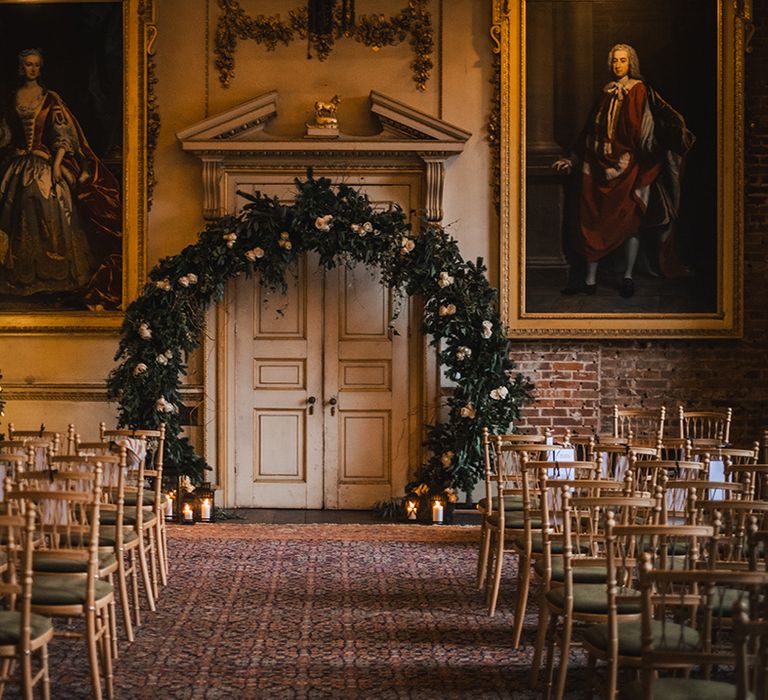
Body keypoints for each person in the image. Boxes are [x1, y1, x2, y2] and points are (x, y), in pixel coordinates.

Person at [554, 43, 695, 298]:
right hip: (597, 167)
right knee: (592, 223)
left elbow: (665, 121)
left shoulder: (641, 90)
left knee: (631, 223)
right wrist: (572, 159)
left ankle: (627, 277)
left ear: (631, 64)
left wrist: (666, 142)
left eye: (623, 60)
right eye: (615, 60)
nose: (618, 65)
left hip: (630, 168)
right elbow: (588, 130)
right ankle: (589, 280)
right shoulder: (606, 91)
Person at [0, 48, 121, 309]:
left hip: (45, 165)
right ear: (21, 68)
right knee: (15, 208)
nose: (31, 69)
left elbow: (62, 136)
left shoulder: (50, 98)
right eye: (27, 65)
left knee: (44, 202)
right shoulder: (12, 98)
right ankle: (20, 279)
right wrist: (12, 147)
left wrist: (56, 165)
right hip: (19, 163)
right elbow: (7, 135)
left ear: (40, 69)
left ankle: (52, 279)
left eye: (35, 66)